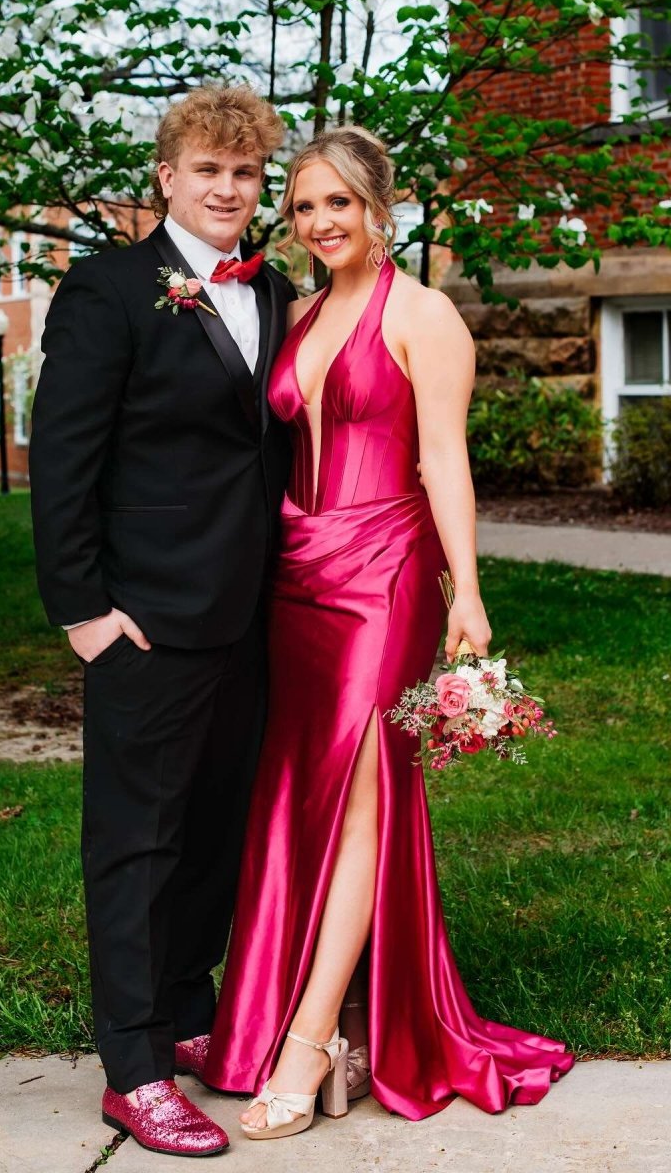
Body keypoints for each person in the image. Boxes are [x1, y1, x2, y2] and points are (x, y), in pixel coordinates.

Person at [203, 126, 574, 1137]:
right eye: (303, 206)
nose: (320, 222)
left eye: (339, 203)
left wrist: (467, 592)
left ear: (378, 207)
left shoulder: (423, 315)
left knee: (366, 793)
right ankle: (305, 1013)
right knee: (298, 794)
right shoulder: (297, 314)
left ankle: (310, 1038)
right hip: (296, 573)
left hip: (386, 575)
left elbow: (443, 459)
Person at [29, 84, 296, 1158]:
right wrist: (83, 611)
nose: (227, 189)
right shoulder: (106, 289)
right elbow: (63, 460)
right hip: (141, 620)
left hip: (253, 615)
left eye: (245, 173)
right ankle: (133, 1070)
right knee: (135, 844)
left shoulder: (274, 289)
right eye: (208, 170)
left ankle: (187, 1011)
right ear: (168, 176)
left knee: (213, 831)